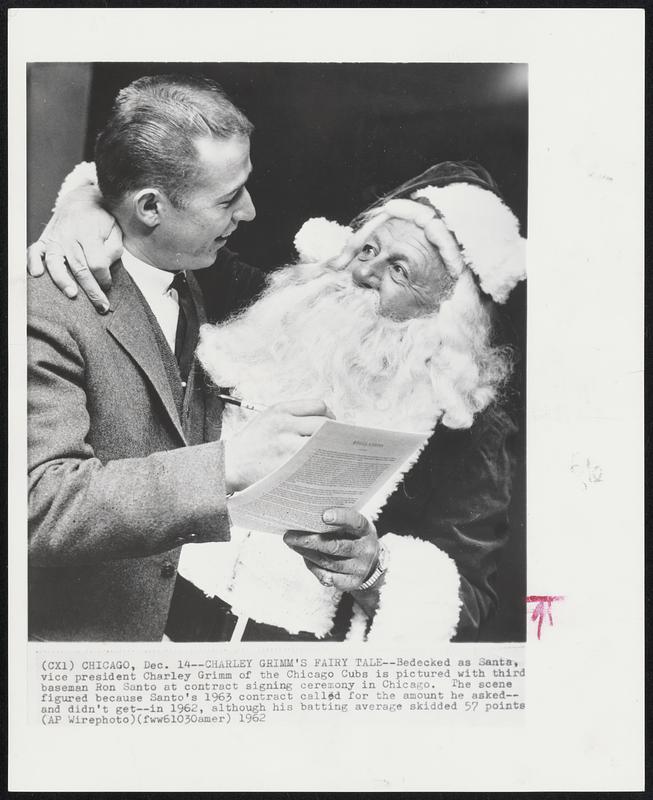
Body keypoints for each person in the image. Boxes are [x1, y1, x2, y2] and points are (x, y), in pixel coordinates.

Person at [29, 155, 526, 642]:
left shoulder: (467, 426)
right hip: (150, 625)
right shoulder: (266, 304)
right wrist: (84, 205)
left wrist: (375, 572)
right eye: (368, 250)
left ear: (447, 313)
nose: (362, 274)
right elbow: (155, 201)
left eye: (400, 270)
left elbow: (471, 603)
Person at [26, 74, 333, 641]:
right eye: (227, 197)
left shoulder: (190, 276)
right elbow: (36, 505)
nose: (250, 211)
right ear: (149, 206)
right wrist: (229, 465)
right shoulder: (42, 305)